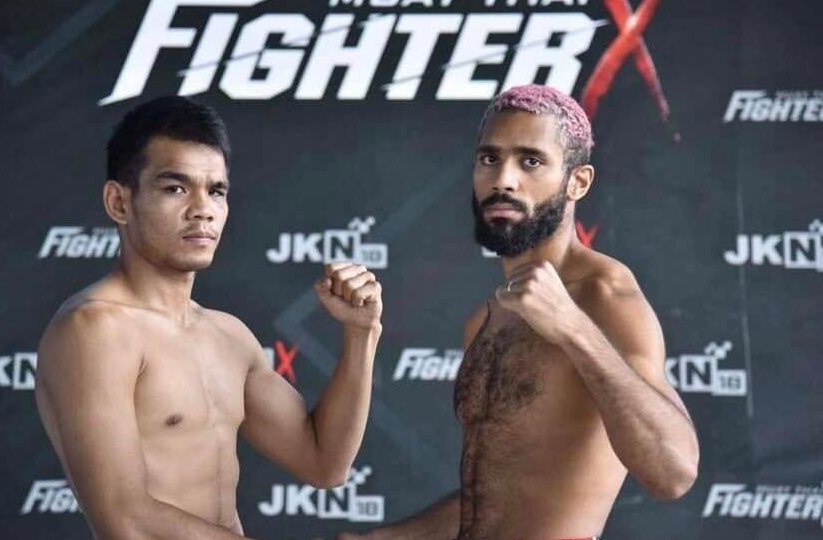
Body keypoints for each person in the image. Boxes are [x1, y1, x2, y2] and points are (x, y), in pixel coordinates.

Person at [339, 84, 698, 540]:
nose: (503, 179)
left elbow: (675, 472)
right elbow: (501, 494)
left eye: (531, 161)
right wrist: (385, 539)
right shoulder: (489, 317)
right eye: (490, 159)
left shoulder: (604, 296)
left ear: (578, 182)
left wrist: (573, 330)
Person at [35, 96, 383, 540]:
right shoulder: (95, 330)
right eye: (175, 188)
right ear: (119, 202)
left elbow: (325, 462)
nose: (203, 208)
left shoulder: (228, 335)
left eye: (216, 190)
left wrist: (360, 333)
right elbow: (125, 518)